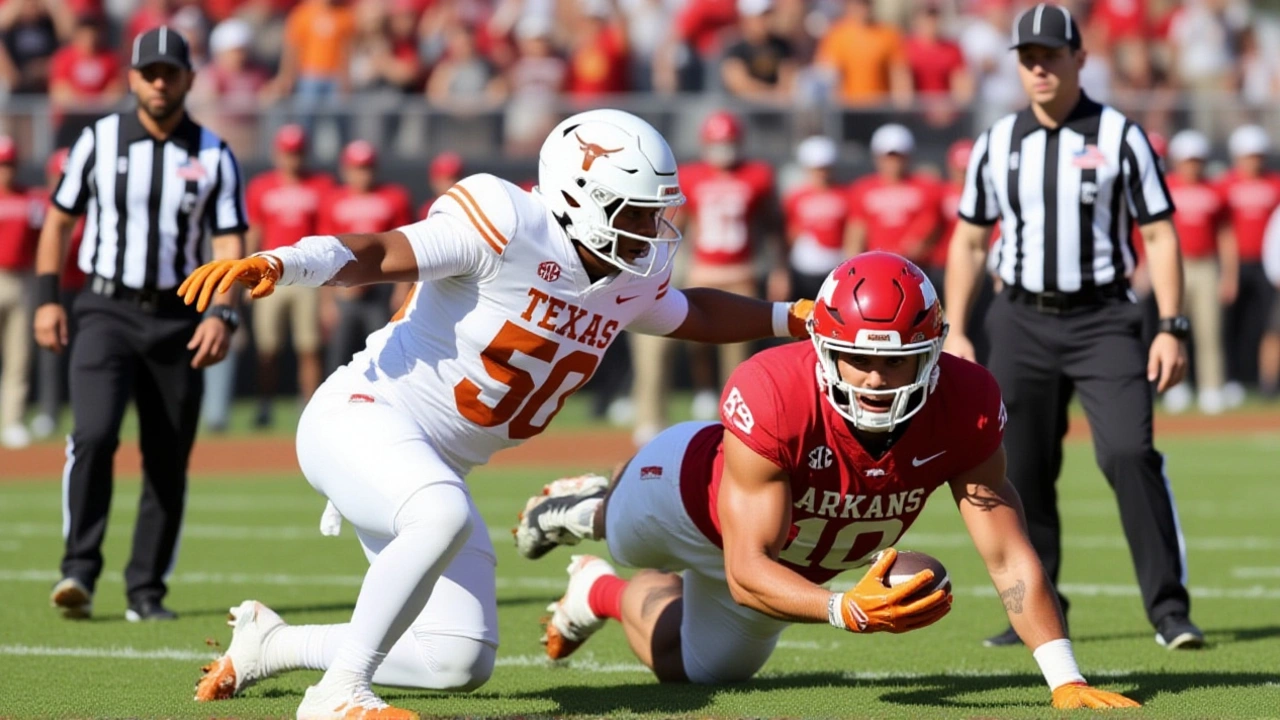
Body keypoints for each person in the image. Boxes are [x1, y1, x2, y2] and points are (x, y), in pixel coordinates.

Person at [179, 108, 815, 719]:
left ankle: (274, 645)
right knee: (441, 513)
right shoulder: (506, 219)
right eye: (638, 214)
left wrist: (789, 318)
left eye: (656, 215)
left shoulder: (624, 275)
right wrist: (287, 261)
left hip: (436, 460)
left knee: (456, 659)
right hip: (364, 415)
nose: (653, 232)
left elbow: (692, 313)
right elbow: (379, 252)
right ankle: (335, 694)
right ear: (581, 197)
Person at [514, 252, 1138, 710]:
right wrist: (845, 608)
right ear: (823, 349)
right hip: (684, 498)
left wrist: (1065, 677)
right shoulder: (776, 390)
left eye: (894, 362)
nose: (873, 378)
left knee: (695, 672)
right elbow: (744, 569)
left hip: (793, 560)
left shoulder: (965, 401)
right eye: (857, 358)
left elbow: (1007, 553)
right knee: (624, 538)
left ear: (932, 353)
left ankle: (596, 592)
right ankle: (588, 506)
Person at [941, 3, 1202, 650]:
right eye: (1027, 59)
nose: (1038, 68)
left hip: (1104, 318)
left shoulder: (1120, 136)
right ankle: (1035, 609)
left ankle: (1170, 611)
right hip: (1019, 318)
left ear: (1080, 59)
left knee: (1127, 452)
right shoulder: (996, 143)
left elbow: (1160, 233)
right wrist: (957, 327)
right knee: (1020, 467)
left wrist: (1170, 323)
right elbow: (970, 241)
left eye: (1050, 56)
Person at [33, 27, 246, 622]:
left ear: (189, 80)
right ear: (131, 78)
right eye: (148, 72)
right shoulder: (97, 141)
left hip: (180, 317)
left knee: (167, 456)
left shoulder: (213, 153)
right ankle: (78, 569)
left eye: (170, 72)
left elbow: (231, 238)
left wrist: (224, 311)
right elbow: (57, 222)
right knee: (95, 434)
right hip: (105, 308)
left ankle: (146, 590)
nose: (159, 82)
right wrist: (47, 300)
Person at [244, 124, 334, 427]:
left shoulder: (319, 185)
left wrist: (326, 290)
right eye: (287, 152)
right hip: (271, 274)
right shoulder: (261, 186)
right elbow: (255, 232)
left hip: (307, 276)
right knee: (267, 347)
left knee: (308, 346)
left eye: (296, 152)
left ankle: (308, 406)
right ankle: (265, 404)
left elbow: (326, 236)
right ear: (276, 153)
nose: (292, 158)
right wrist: (248, 273)